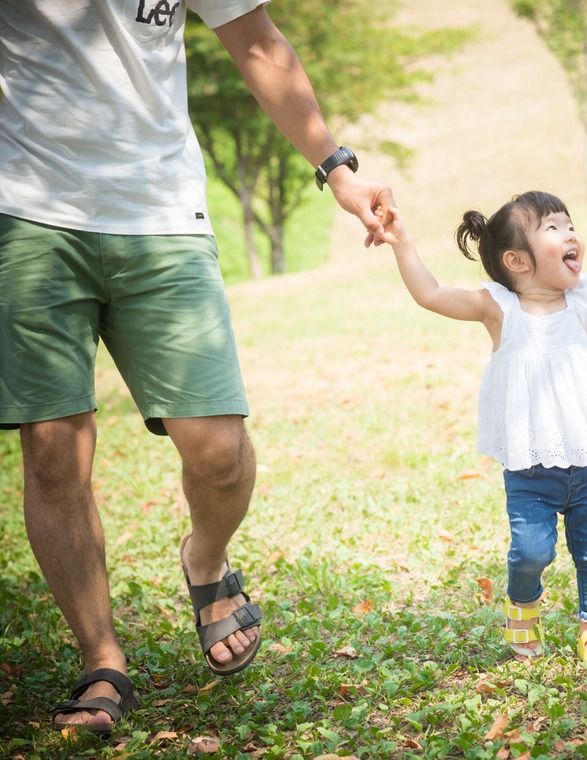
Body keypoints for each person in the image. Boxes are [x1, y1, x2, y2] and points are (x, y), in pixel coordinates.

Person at [0, 1, 393, 733]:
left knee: (218, 449)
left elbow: (257, 40)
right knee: (53, 451)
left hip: (161, 216)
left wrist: (335, 166)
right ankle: (102, 660)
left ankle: (205, 561)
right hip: (29, 212)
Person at [376, 186, 587, 663]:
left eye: (570, 224)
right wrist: (402, 242)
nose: (570, 233)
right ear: (517, 261)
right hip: (531, 470)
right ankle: (523, 607)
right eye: (553, 228)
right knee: (531, 552)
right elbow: (430, 294)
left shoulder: (581, 303)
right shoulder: (500, 310)